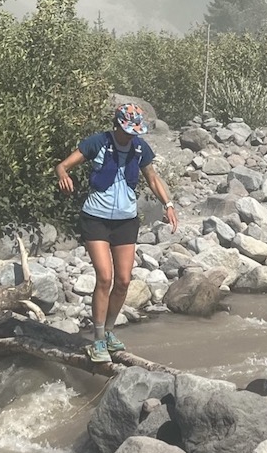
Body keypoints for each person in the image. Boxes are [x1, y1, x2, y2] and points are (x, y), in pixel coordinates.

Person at [55, 103, 178, 363]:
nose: (132, 135)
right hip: (96, 219)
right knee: (105, 277)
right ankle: (97, 340)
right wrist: (63, 175)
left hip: (126, 221)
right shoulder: (98, 143)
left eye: (136, 131)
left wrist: (168, 205)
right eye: (128, 130)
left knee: (123, 281)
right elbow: (62, 165)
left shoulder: (139, 148)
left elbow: (153, 178)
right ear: (117, 125)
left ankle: (109, 332)